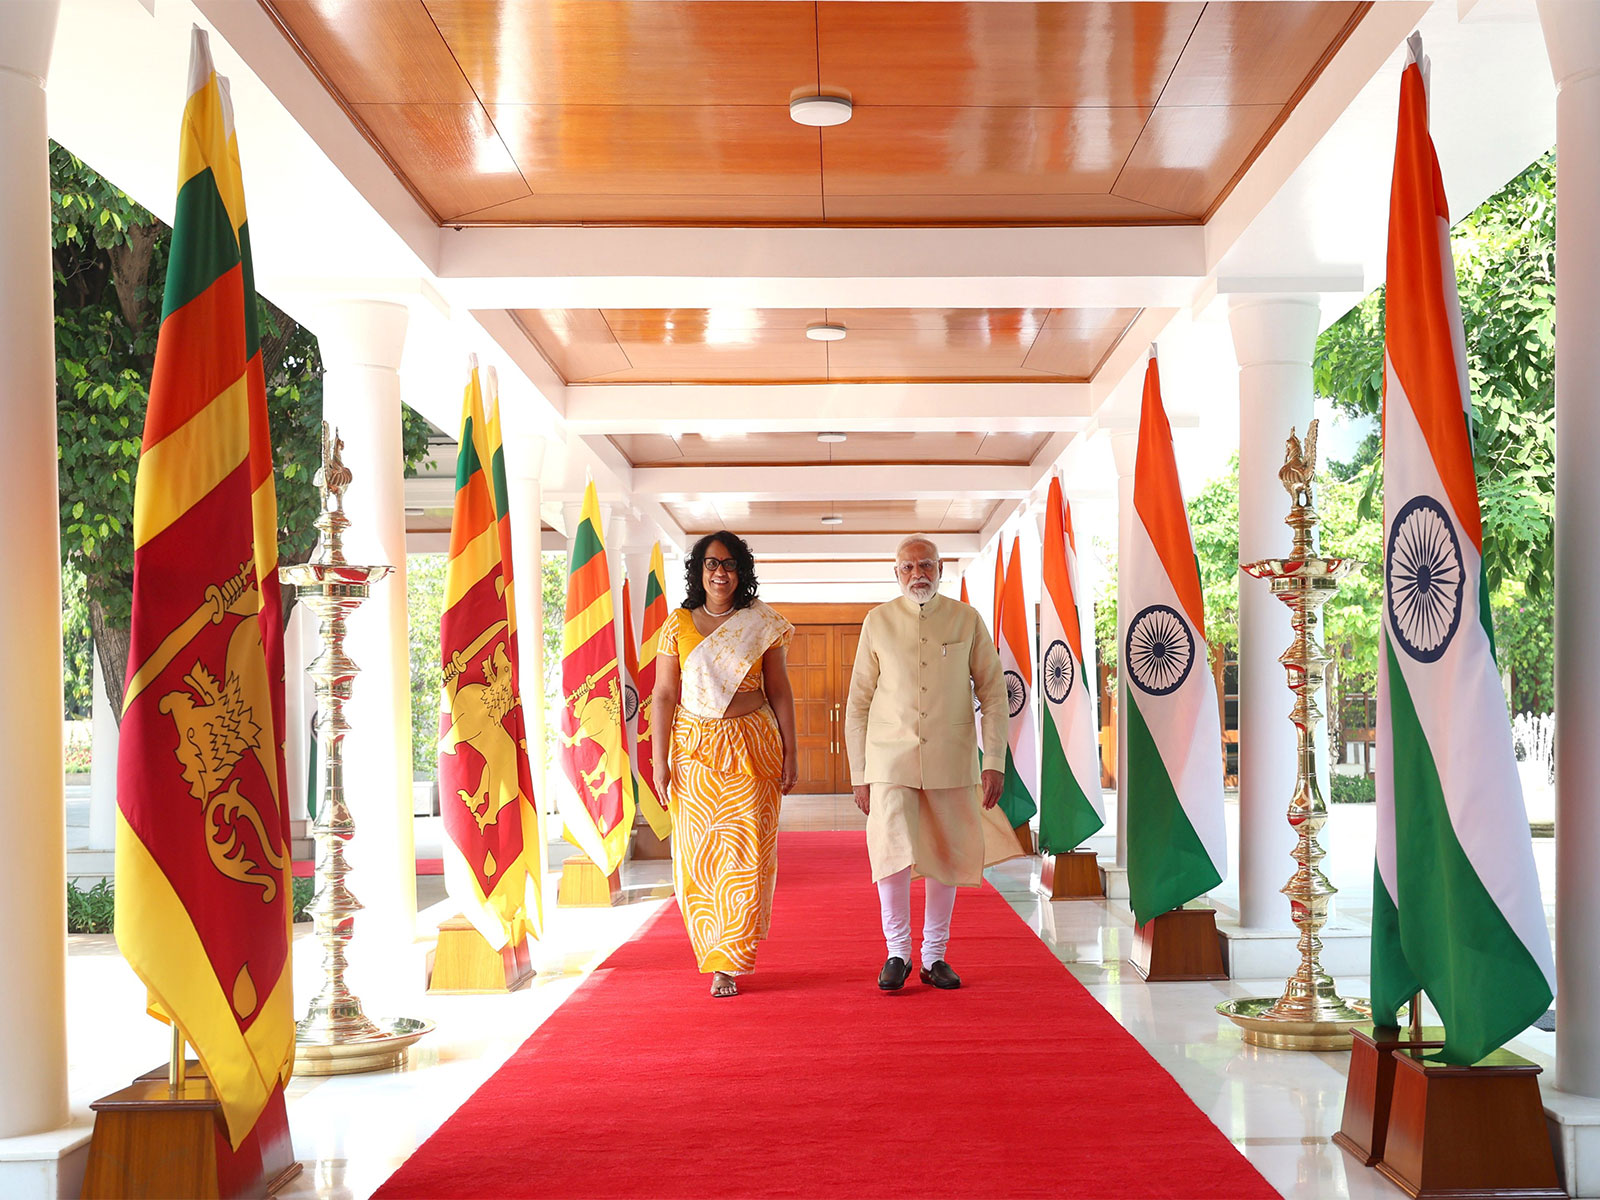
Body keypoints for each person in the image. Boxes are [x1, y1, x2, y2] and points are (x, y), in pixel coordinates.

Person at [844, 534, 1022, 990]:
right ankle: (897, 952)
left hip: (952, 756)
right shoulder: (877, 621)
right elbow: (858, 702)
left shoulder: (967, 619)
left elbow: (993, 694)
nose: (917, 574)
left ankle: (934, 956)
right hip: (889, 759)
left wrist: (994, 760)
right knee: (891, 853)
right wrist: (860, 773)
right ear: (896, 573)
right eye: (908, 567)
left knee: (946, 854)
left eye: (926, 565)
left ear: (941, 570)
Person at [651, 531, 798, 998]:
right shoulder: (676, 625)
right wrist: (658, 761)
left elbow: (779, 689)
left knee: (746, 857)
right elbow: (664, 695)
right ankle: (712, 952)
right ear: (698, 571)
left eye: (730, 564)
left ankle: (730, 962)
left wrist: (792, 750)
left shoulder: (762, 622)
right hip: (693, 752)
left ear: (742, 571)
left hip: (752, 747)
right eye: (712, 563)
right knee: (700, 858)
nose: (721, 572)